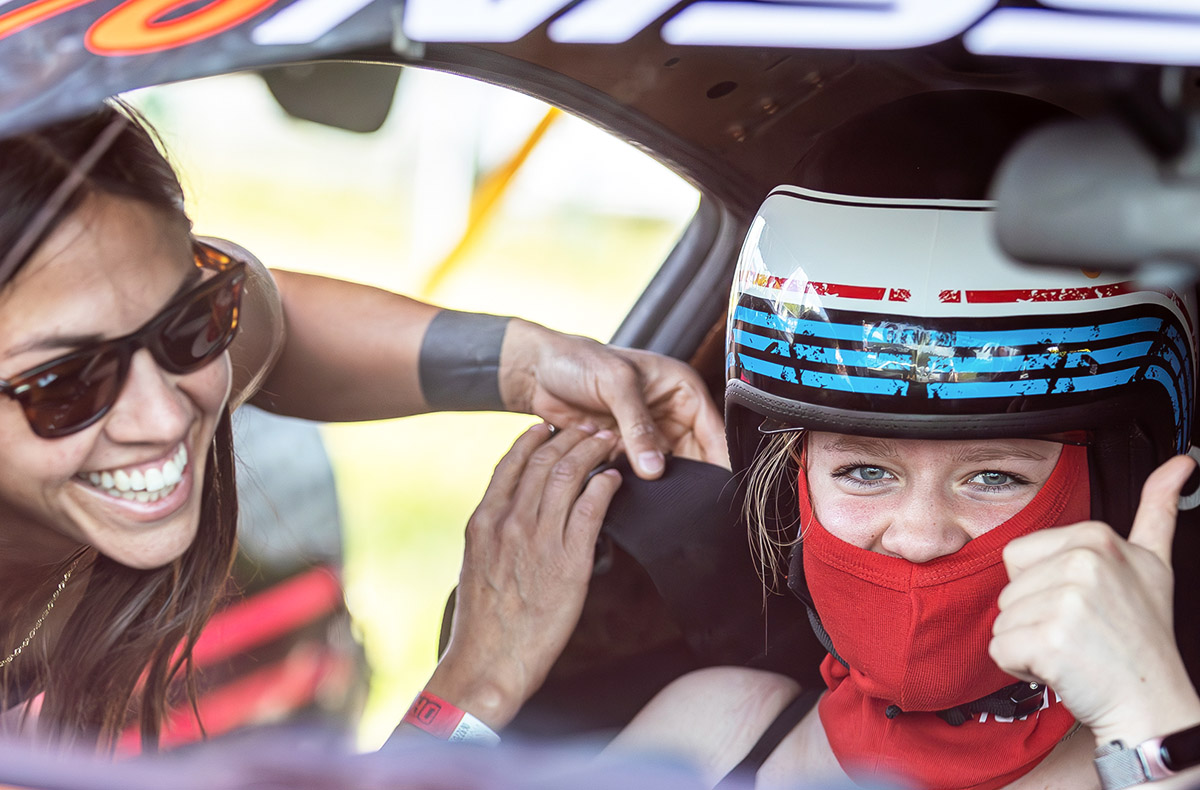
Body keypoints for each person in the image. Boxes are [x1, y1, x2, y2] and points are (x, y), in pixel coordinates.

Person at [434, 90, 1200, 790]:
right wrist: (474, 689)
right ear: (791, 490)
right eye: (865, 470)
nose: (919, 537)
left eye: (994, 476)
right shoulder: (716, 730)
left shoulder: (1158, 757)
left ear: (1121, 494)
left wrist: (1153, 734)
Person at [0, 101, 726, 750]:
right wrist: (480, 680)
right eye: (67, 384)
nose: (164, 414)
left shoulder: (133, 319)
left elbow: (273, 319)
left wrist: (534, 364)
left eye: (190, 324)